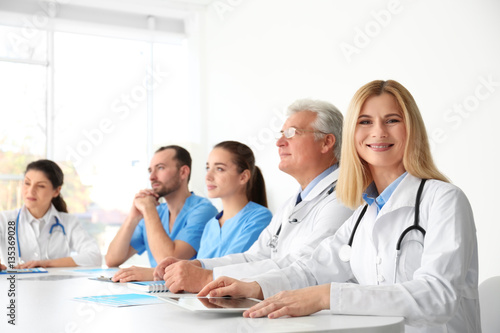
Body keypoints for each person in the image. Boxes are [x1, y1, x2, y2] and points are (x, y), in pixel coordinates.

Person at [198, 80, 481, 333]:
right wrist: (255, 287)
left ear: (412, 129)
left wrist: (327, 296)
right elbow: (313, 269)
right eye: (365, 122)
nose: (378, 132)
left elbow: (437, 297)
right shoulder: (363, 213)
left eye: (392, 120)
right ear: (352, 135)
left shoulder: (444, 199)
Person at [153, 99, 353, 293]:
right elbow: (255, 256)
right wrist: (198, 264)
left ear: (326, 142)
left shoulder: (343, 200)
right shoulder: (292, 204)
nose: (279, 142)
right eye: (281, 134)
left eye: (291, 133)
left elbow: (306, 266)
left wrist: (208, 278)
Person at [105, 145, 218, 282]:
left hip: (188, 297)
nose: (152, 177)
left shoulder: (203, 210)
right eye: (150, 170)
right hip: (159, 293)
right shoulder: (156, 212)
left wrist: (148, 209)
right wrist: (133, 217)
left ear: (183, 172)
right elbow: (112, 259)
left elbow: (168, 261)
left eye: (160, 168)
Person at [0, 159, 101, 269]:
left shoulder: (69, 222)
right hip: (14, 286)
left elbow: (94, 256)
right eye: (27, 183)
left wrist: (46, 263)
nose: (30, 191)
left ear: (56, 191)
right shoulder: (5, 219)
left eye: (41, 186)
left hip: (55, 285)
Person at [196, 141, 272, 259]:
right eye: (208, 168)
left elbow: (232, 266)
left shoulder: (259, 218)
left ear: (243, 177)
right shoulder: (210, 225)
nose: (208, 176)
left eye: (219, 169)